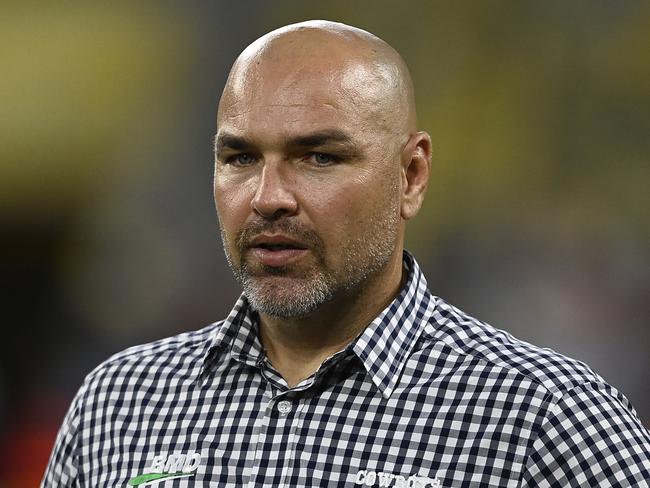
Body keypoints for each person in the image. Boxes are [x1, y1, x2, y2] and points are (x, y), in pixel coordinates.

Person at [43, 20, 649, 488]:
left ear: (410, 175)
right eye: (240, 158)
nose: (268, 198)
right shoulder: (117, 404)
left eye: (320, 157)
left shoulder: (546, 419)